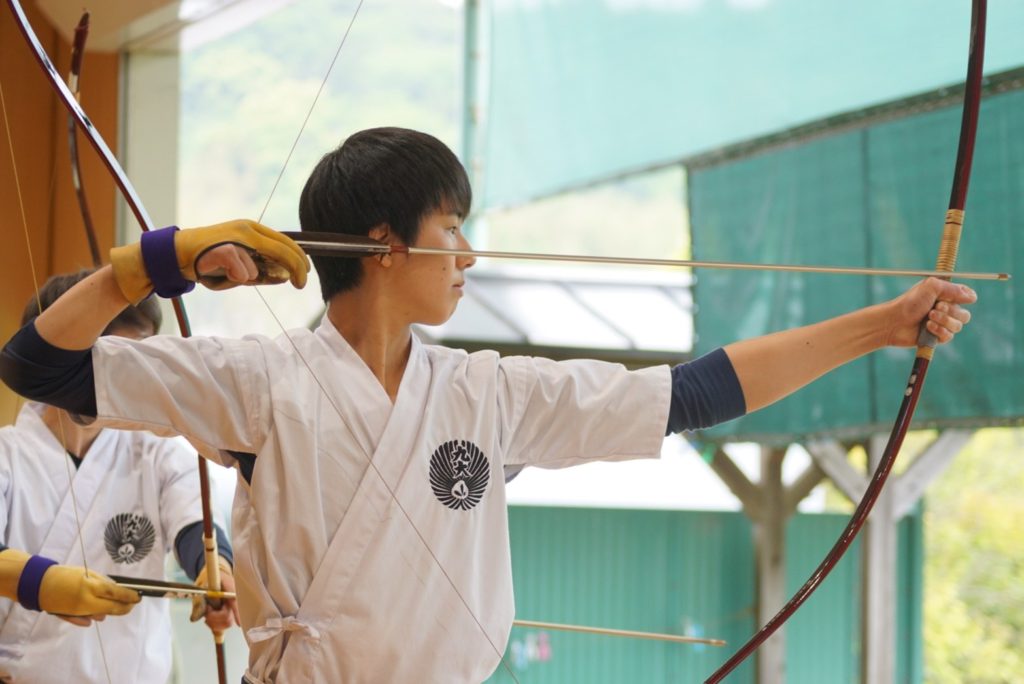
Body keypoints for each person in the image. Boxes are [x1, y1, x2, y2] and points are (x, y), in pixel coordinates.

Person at [0, 128, 975, 682]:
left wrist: (880, 326)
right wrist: (154, 261)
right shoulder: (259, 381)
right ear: (386, 243)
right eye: (452, 226)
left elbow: (695, 392)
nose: (467, 253)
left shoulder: (487, 390)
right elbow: (36, 366)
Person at [0, 271, 239, 684]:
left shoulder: (156, 451)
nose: (130, 381)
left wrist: (214, 569)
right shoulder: (7, 453)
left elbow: (192, 521)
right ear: (59, 359)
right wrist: (38, 582)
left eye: (139, 361)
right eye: (113, 360)